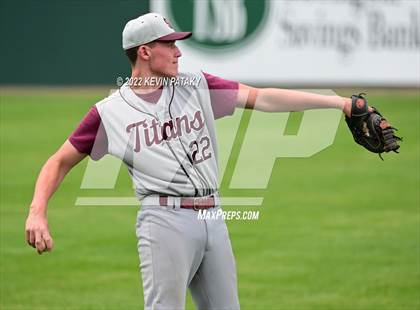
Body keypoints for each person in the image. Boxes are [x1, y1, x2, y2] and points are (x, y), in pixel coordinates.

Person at [25, 12, 356, 310]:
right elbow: (59, 161)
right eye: (169, 45)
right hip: (163, 222)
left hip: (214, 216)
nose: (178, 52)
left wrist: (339, 104)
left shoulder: (196, 85)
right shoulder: (109, 113)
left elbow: (263, 97)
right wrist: (37, 212)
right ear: (144, 51)